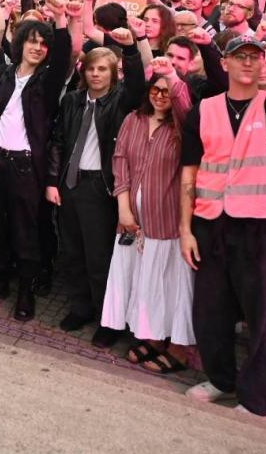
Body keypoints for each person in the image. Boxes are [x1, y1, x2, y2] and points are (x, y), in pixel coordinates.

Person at [179, 0, 266, 417]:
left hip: (260, 228)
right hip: (211, 225)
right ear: (227, 62)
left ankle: (255, 398)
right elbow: (189, 172)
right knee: (210, 311)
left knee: (261, 317)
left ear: (265, 63)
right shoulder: (206, 108)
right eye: (241, 56)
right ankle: (220, 378)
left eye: (257, 56)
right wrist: (185, 229)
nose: (249, 63)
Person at [45, 24, 147, 347]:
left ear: (113, 73)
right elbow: (58, 141)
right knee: (72, 252)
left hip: (100, 187)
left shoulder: (119, 102)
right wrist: (52, 180)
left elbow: (136, 88)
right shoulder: (73, 101)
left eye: (103, 69)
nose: (96, 75)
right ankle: (80, 307)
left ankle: (108, 318)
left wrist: (130, 50)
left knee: (99, 258)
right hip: (70, 185)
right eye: (91, 69)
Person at [0, 6, 74, 322]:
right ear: (21, 44)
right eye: (31, 41)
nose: (37, 48)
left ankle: (26, 290)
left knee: (26, 233)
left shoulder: (48, 81)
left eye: (43, 44)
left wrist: (60, 20)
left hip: (27, 168)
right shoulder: (0, 74)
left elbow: (63, 55)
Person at [102, 56, 195, 374]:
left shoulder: (181, 127)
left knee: (168, 284)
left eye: (165, 90)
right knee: (143, 282)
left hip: (165, 221)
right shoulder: (133, 119)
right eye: (155, 89)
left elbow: (184, 105)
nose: (160, 95)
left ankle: (178, 348)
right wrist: (123, 206)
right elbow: (120, 161)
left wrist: (172, 75)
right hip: (131, 221)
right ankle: (153, 338)